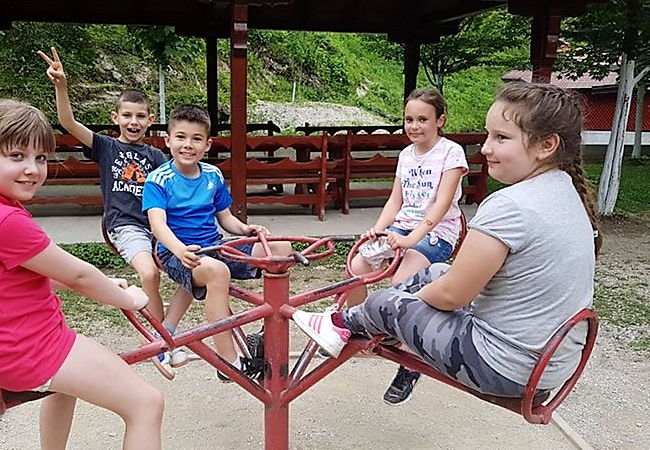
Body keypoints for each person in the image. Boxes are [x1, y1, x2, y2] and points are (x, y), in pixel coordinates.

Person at [293, 82, 602, 402]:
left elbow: (453, 295)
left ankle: (342, 324)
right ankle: (353, 324)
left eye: (501, 138)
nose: (486, 148)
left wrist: (402, 308)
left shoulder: (510, 206)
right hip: (549, 362)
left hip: (505, 367)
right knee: (433, 272)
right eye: (488, 135)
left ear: (546, 145)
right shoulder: (566, 191)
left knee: (386, 302)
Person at [0, 99, 164, 450]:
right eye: (17, 156)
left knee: (64, 390)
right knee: (147, 404)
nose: (32, 169)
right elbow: (79, 276)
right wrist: (128, 298)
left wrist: (106, 284)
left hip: (10, 347)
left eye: (40, 157)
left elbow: (27, 270)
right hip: (29, 353)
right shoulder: (1, 219)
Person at [39, 47, 190, 377]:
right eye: (127, 116)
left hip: (155, 224)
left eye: (140, 116)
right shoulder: (106, 146)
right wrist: (61, 86)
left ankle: (165, 334)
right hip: (124, 225)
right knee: (149, 274)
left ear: (150, 120)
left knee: (194, 270)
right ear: (115, 118)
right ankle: (156, 342)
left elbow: (174, 189)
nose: (133, 122)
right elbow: (68, 123)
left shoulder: (155, 156)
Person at [142, 104, 292, 382]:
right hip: (175, 253)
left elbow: (226, 218)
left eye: (196, 139)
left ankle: (269, 329)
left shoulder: (213, 175)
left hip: (213, 247)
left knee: (280, 249)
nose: (188, 145)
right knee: (216, 271)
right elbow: (158, 224)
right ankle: (229, 362)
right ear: (167, 140)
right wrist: (179, 250)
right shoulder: (159, 179)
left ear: (208, 144)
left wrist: (246, 229)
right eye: (181, 137)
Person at [343, 87, 468, 405]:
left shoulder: (451, 153)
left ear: (440, 120)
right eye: (409, 119)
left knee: (403, 283)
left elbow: (442, 203)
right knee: (357, 266)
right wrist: (378, 229)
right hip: (402, 227)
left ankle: (411, 362)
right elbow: (395, 200)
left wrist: (412, 240)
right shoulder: (406, 155)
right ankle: (368, 326)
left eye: (422, 119)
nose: (414, 126)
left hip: (437, 231)